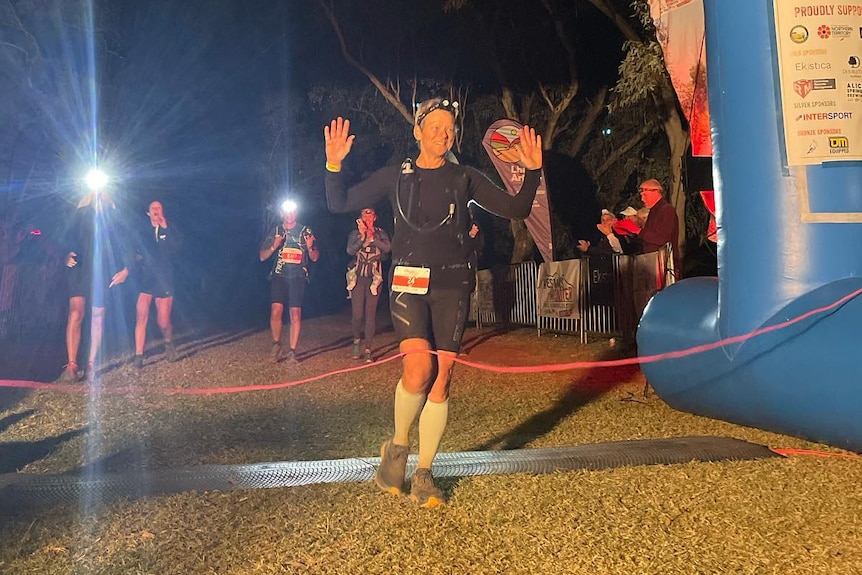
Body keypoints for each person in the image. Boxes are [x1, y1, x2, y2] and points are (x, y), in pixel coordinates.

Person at [323, 97, 543, 507]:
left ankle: (424, 472)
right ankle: (398, 447)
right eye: (435, 126)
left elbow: (517, 207)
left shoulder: (464, 178)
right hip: (407, 282)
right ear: (418, 131)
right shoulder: (397, 176)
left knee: (441, 380)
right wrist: (334, 164)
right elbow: (339, 203)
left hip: (453, 284)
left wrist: (531, 171)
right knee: (419, 366)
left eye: (449, 128)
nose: (443, 134)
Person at [56, 188, 132, 382]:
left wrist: (126, 269)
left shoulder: (114, 217)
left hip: (103, 270)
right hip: (80, 267)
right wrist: (64, 255)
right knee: (76, 312)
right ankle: (72, 365)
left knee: (98, 315)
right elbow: (65, 235)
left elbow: (127, 243)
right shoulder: (82, 213)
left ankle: (91, 364)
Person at [259, 200, 319, 364]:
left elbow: (314, 257)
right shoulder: (277, 231)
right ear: (281, 214)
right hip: (279, 275)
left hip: (298, 277)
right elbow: (262, 256)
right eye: (286, 212)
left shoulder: (305, 230)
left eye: (293, 211)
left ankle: (292, 351)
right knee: (276, 311)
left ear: (296, 213)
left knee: (295, 314)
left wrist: (310, 247)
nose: (289, 215)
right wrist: (274, 246)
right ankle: (276, 344)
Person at [133, 201, 182, 369]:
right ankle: (139, 355)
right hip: (146, 279)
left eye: (159, 207)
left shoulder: (170, 228)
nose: (156, 210)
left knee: (163, 321)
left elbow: (176, 248)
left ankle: (169, 343)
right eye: (153, 208)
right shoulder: (142, 231)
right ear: (148, 213)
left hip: (164, 278)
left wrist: (166, 228)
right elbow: (136, 250)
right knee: (141, 314)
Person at [346, 207, 392, 363]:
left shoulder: (380, 232)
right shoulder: (355, 233)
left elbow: (387, 248)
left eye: (370, 214)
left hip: (374, 278)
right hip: (358, 278)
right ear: (360, 218)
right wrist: (362, 236)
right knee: (357, 314)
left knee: (370, 314)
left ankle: (368, 349)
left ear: (375, 217)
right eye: (365, 215)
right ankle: (356, 340)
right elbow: (350, 251)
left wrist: (373, 238)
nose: (368, 217)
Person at [637, 178, 681, 275]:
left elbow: (662, 239)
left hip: (665, 267)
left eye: (645, 195)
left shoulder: (666, 210)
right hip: (655, 264)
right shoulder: (654, 211)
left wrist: (637, 231)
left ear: (656, 192)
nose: (642, 199)